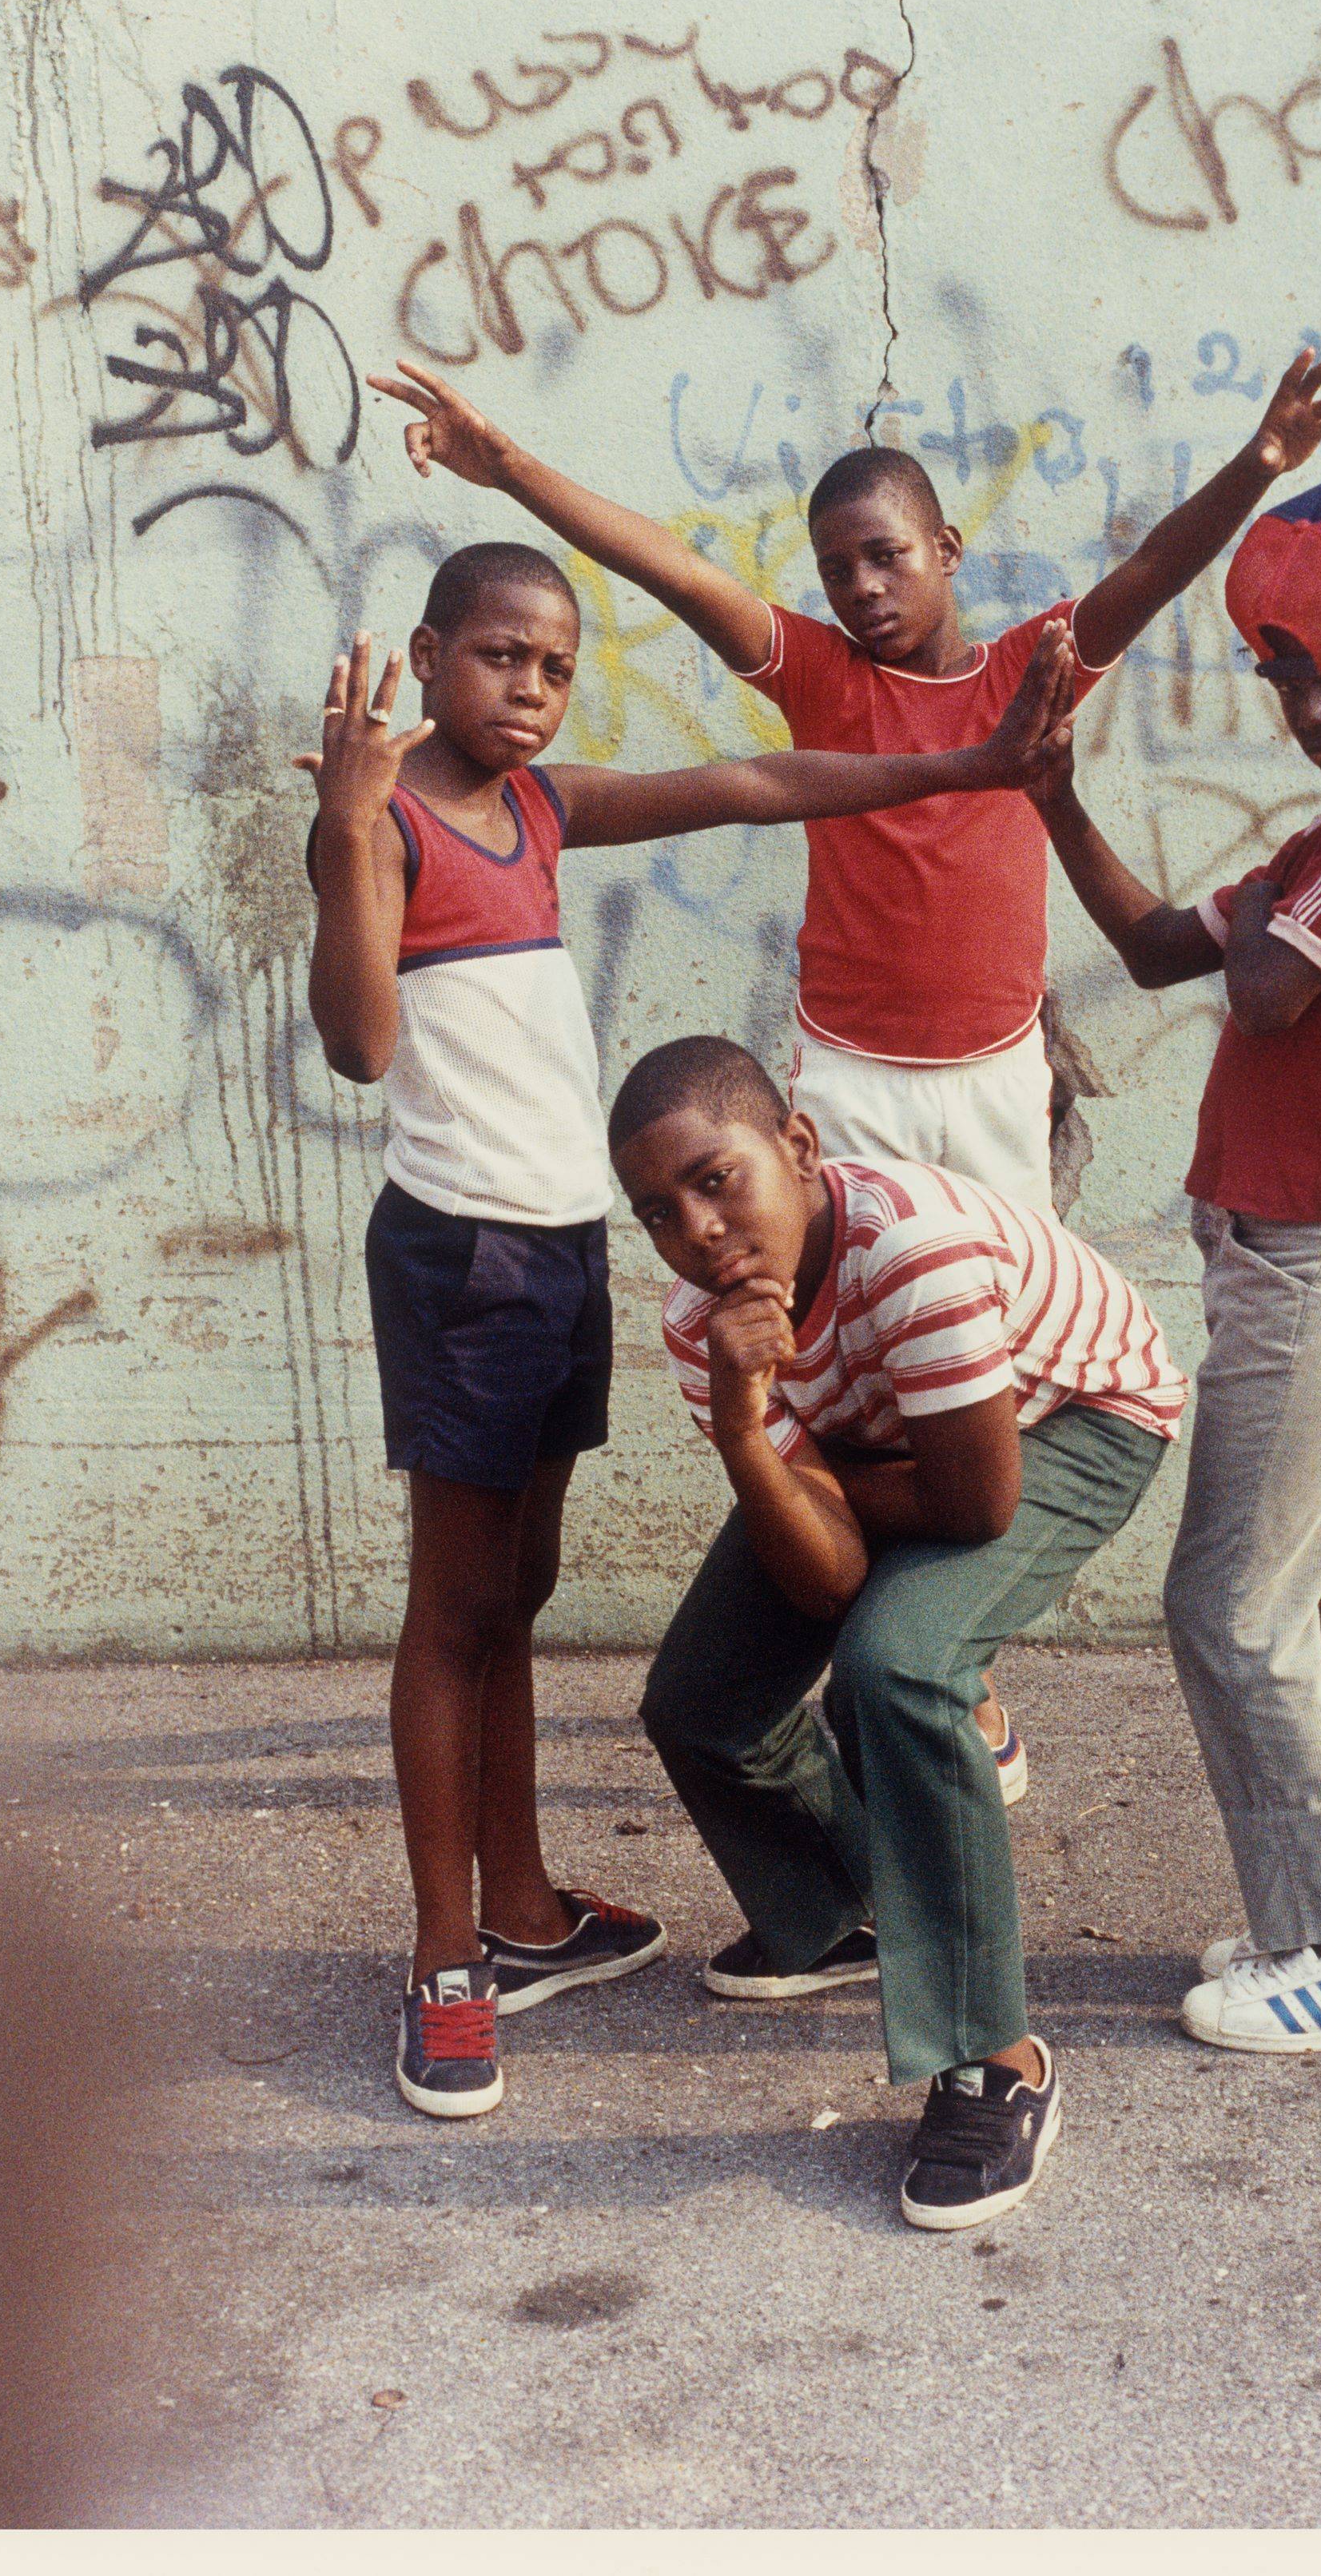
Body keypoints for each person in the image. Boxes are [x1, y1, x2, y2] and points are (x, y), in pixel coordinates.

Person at [365, 344, 1321, 1794]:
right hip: (848, 1088)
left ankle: (962, 1667)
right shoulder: (820, 675)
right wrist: (503, 463)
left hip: (996, 1080)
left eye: (886, 557)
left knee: (988, 1383)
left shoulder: (1030, 669)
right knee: (839, 1371)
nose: (862, 590)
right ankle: (849, 1643)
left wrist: (1260, 465)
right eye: (837, 570)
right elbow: (663, 568)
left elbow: (1151, 567)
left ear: (946, 551)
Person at [298, 547, 1077, 2117]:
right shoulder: (382, 820)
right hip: (460, 1263)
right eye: (498, 654)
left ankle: (522, 1911)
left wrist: (979, 761)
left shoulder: (535, 809)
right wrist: (342, 828)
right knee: (454, 1613)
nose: (529, 685)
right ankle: (448, 1964)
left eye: (556, 665)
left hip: (560, 1255)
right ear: (431, 655)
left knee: (517, 1586)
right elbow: (362, 1041)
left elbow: (748, 779)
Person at [1024, 476, 1321, 2055]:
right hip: (1319, 1261)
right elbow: (1173, 947)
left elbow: (1275, 989)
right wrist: (1052, 799)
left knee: (1227, 1606)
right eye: (1283, 677)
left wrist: (1270, 920)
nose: (1307, 709)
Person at [607, 1025, 1184, 2229]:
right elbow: (819, 1580)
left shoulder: (909, 1249)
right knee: (702, 1702)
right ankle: (846, 1911)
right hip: (900, 1440)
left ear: (799, 1146)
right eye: (659, 1212)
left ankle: (995, 2059)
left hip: (1069, 1414)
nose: (698, 1231)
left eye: (717, 1181)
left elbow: (974, 1503)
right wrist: (740, 1421)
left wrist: (815, 1485)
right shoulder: (700, 1327)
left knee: (900, 1668)